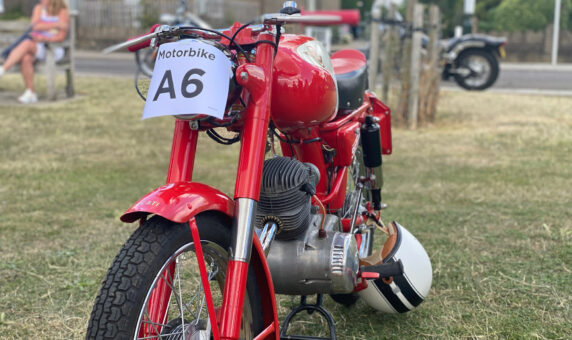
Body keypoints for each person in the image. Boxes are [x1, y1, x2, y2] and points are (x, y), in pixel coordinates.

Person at [0, 0, 69, 103]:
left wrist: (45, 38)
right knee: (26, 57)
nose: (41, 0)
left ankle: (2, 69)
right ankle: (30, 92)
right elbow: (35, 26)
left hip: (53, 48)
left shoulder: (62, 11)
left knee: (27, 43)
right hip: (37, 45)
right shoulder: (39, 8)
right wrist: (56, 24)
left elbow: (60, 37)